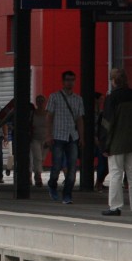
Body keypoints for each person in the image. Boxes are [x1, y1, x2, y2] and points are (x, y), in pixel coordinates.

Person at [100, 67, 132, 216]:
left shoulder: (112, 98)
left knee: (116, 174)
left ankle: (115, 207)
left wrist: (104, 145)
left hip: (117, 142)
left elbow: (107, 123)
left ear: (113, 81)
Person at [44, 70, 84, 204]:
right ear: (62, 81)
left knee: (72, 168)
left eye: (72, 80)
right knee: (56, 166)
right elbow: (49, 117)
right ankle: (52, 185)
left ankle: (67, 195)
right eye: (67, 80)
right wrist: (48, 135)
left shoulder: (78, 99)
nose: (70, 82)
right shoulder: (54, 97)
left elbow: (79, 119)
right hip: (58, 135)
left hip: (72, 136)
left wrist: (82, 137)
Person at [30, 95, 48, 187]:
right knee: (38, 158)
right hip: (35, 139)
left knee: (42, 159)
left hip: (45, 139)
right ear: (36, 103)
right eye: (39, 101)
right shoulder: (32, 114)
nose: (40, 103)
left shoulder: (48, 113)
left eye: (42, 101)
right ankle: (38, 176)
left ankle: (37, 173)